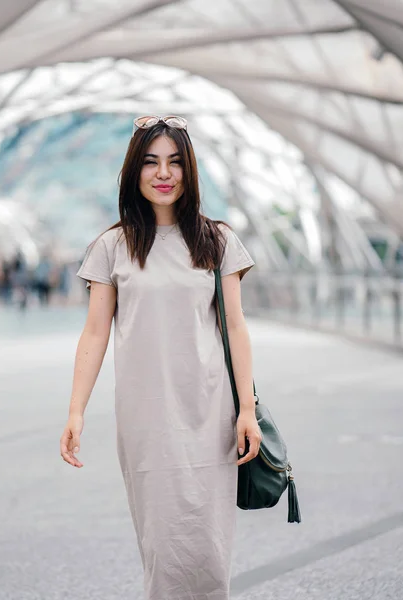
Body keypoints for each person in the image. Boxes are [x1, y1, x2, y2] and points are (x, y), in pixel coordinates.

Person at [60, 115, 262, 600]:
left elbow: (235, 327)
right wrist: (76, 410)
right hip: (146, 415)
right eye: (151, 163)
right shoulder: (113, 247)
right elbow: (94, 333)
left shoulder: (216, 241)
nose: (163, 173)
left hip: (210, 411)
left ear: (189, 172)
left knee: (210, 550)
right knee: (163, 547)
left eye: (175, 162)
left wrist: (248, 410)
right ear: (134, 172)